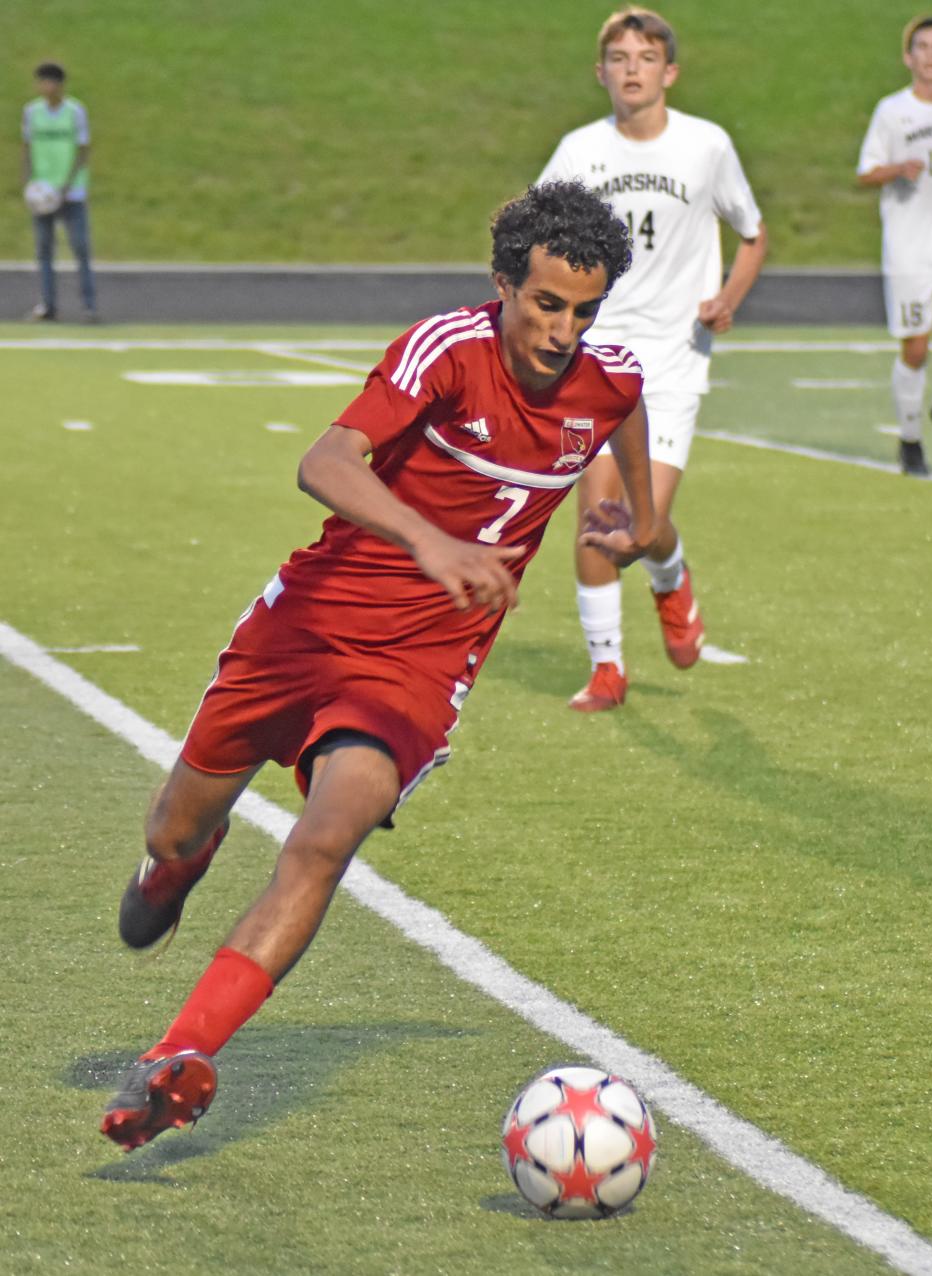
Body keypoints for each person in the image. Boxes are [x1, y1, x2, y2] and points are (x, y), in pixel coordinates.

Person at [100, 181, 676, 1151]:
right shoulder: (445, 350)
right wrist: (432, 543)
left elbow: (628, 430)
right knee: (172, 829)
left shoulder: (608, 379)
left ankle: (179, 1057)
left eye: (583, 310)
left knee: (327, 839)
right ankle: (178, 862)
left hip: (419, 664)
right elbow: (325, 460)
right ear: (503, 284)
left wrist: (644, 524)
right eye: (544, 303)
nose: (562, 330)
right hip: (307, 627)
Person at [538, 7, 766, 711]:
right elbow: (535, 235)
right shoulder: (578, 151)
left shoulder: (706, 146)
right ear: (599, 73)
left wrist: (726, 297)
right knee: (595, 517)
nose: (631, 68)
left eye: (645, 57)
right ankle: (607, 668)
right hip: (596, 358)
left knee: (636, 529)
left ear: (669, 72)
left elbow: (752, 235)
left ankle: (669, 574)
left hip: (672, 361)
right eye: (618, 58)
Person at [857, 15, 932, 477]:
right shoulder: (891, 111)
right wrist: (897, 168)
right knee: (916, 349)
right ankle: (911, 440)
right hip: (909, 247)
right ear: (908, 57)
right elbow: (866, 172)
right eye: (923, 46)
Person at [21, 62, 98, 322]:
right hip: (42, 193)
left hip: (71, 192)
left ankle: (89, 306)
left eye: (50, 81)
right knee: (44, 250)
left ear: (60, 85)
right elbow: (27, 147)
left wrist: (68, 184)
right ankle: (48, 306)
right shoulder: (32, 112)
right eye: (41, 82)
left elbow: (83, 149)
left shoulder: (75, 112)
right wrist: (29, 182)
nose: (45, 87)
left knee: (80, 247)